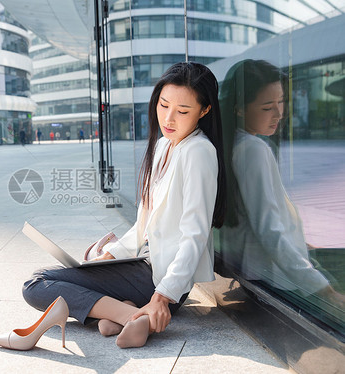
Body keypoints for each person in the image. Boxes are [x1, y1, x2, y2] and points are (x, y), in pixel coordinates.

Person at [22, 62, 227, 348]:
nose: (168, 118)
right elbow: (143, 224)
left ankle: (130, 314)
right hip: (143, 265)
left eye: (182, 111)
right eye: (163, 104)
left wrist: (162, 297)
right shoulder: (165, 145)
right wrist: (111, 255)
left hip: (161, 280)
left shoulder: (198, 152)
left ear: (204, 111)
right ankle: (126, 314)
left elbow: (196, 235)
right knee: (65, 277)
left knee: (36, 284)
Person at [219, 60, 345, 314]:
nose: (279, 114)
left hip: (254, 272)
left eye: (281, 102)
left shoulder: (231, 144)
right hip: (273, 279)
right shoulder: (253, 150)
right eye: (268, 107)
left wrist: (300, 243)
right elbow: (269, 231)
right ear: (240, 110)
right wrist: (323, 290)